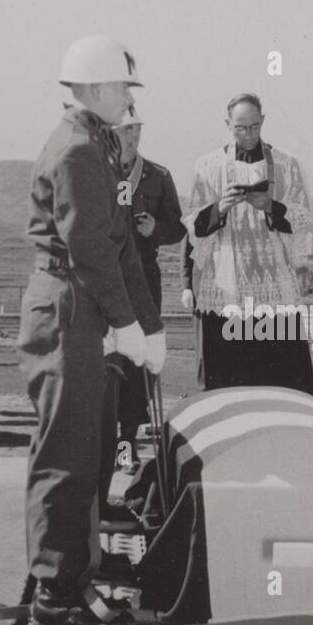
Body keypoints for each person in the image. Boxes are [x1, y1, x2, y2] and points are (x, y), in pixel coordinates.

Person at [20, 34, 166, 625]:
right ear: (100, 87)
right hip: (68, 308)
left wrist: (146, 328)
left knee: (91, 447)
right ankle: (55, 590)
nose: (129, 100)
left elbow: (122, 242)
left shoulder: (97, 145)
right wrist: (127, 324)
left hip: (83, 306)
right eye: (124, 88)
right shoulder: (80, 150)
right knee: (68, 452)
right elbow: (89, 251)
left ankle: (78, 567)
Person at [184, 93, 313, 398]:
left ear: (263, 122)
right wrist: (220, 208)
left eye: (255, 127)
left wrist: (270, 205)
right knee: (226, 379)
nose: (248, 134)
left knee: (282, 378)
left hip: (272, 282)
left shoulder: (286, 165)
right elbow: (192, 222)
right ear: (227, 125)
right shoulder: (208, 165)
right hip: (226, 285)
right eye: (241, 128)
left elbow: (303, 217)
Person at [112, 110, 185, 461]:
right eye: (127, 129)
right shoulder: (95, 173)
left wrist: (154, 229)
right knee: (104, 356)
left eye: (137, 128)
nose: (133, 135)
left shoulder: (158, 176)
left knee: (138, 360)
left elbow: (178, 228)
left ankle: (126, 442)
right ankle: (98, 441)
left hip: (142, 278)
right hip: (103, 279)